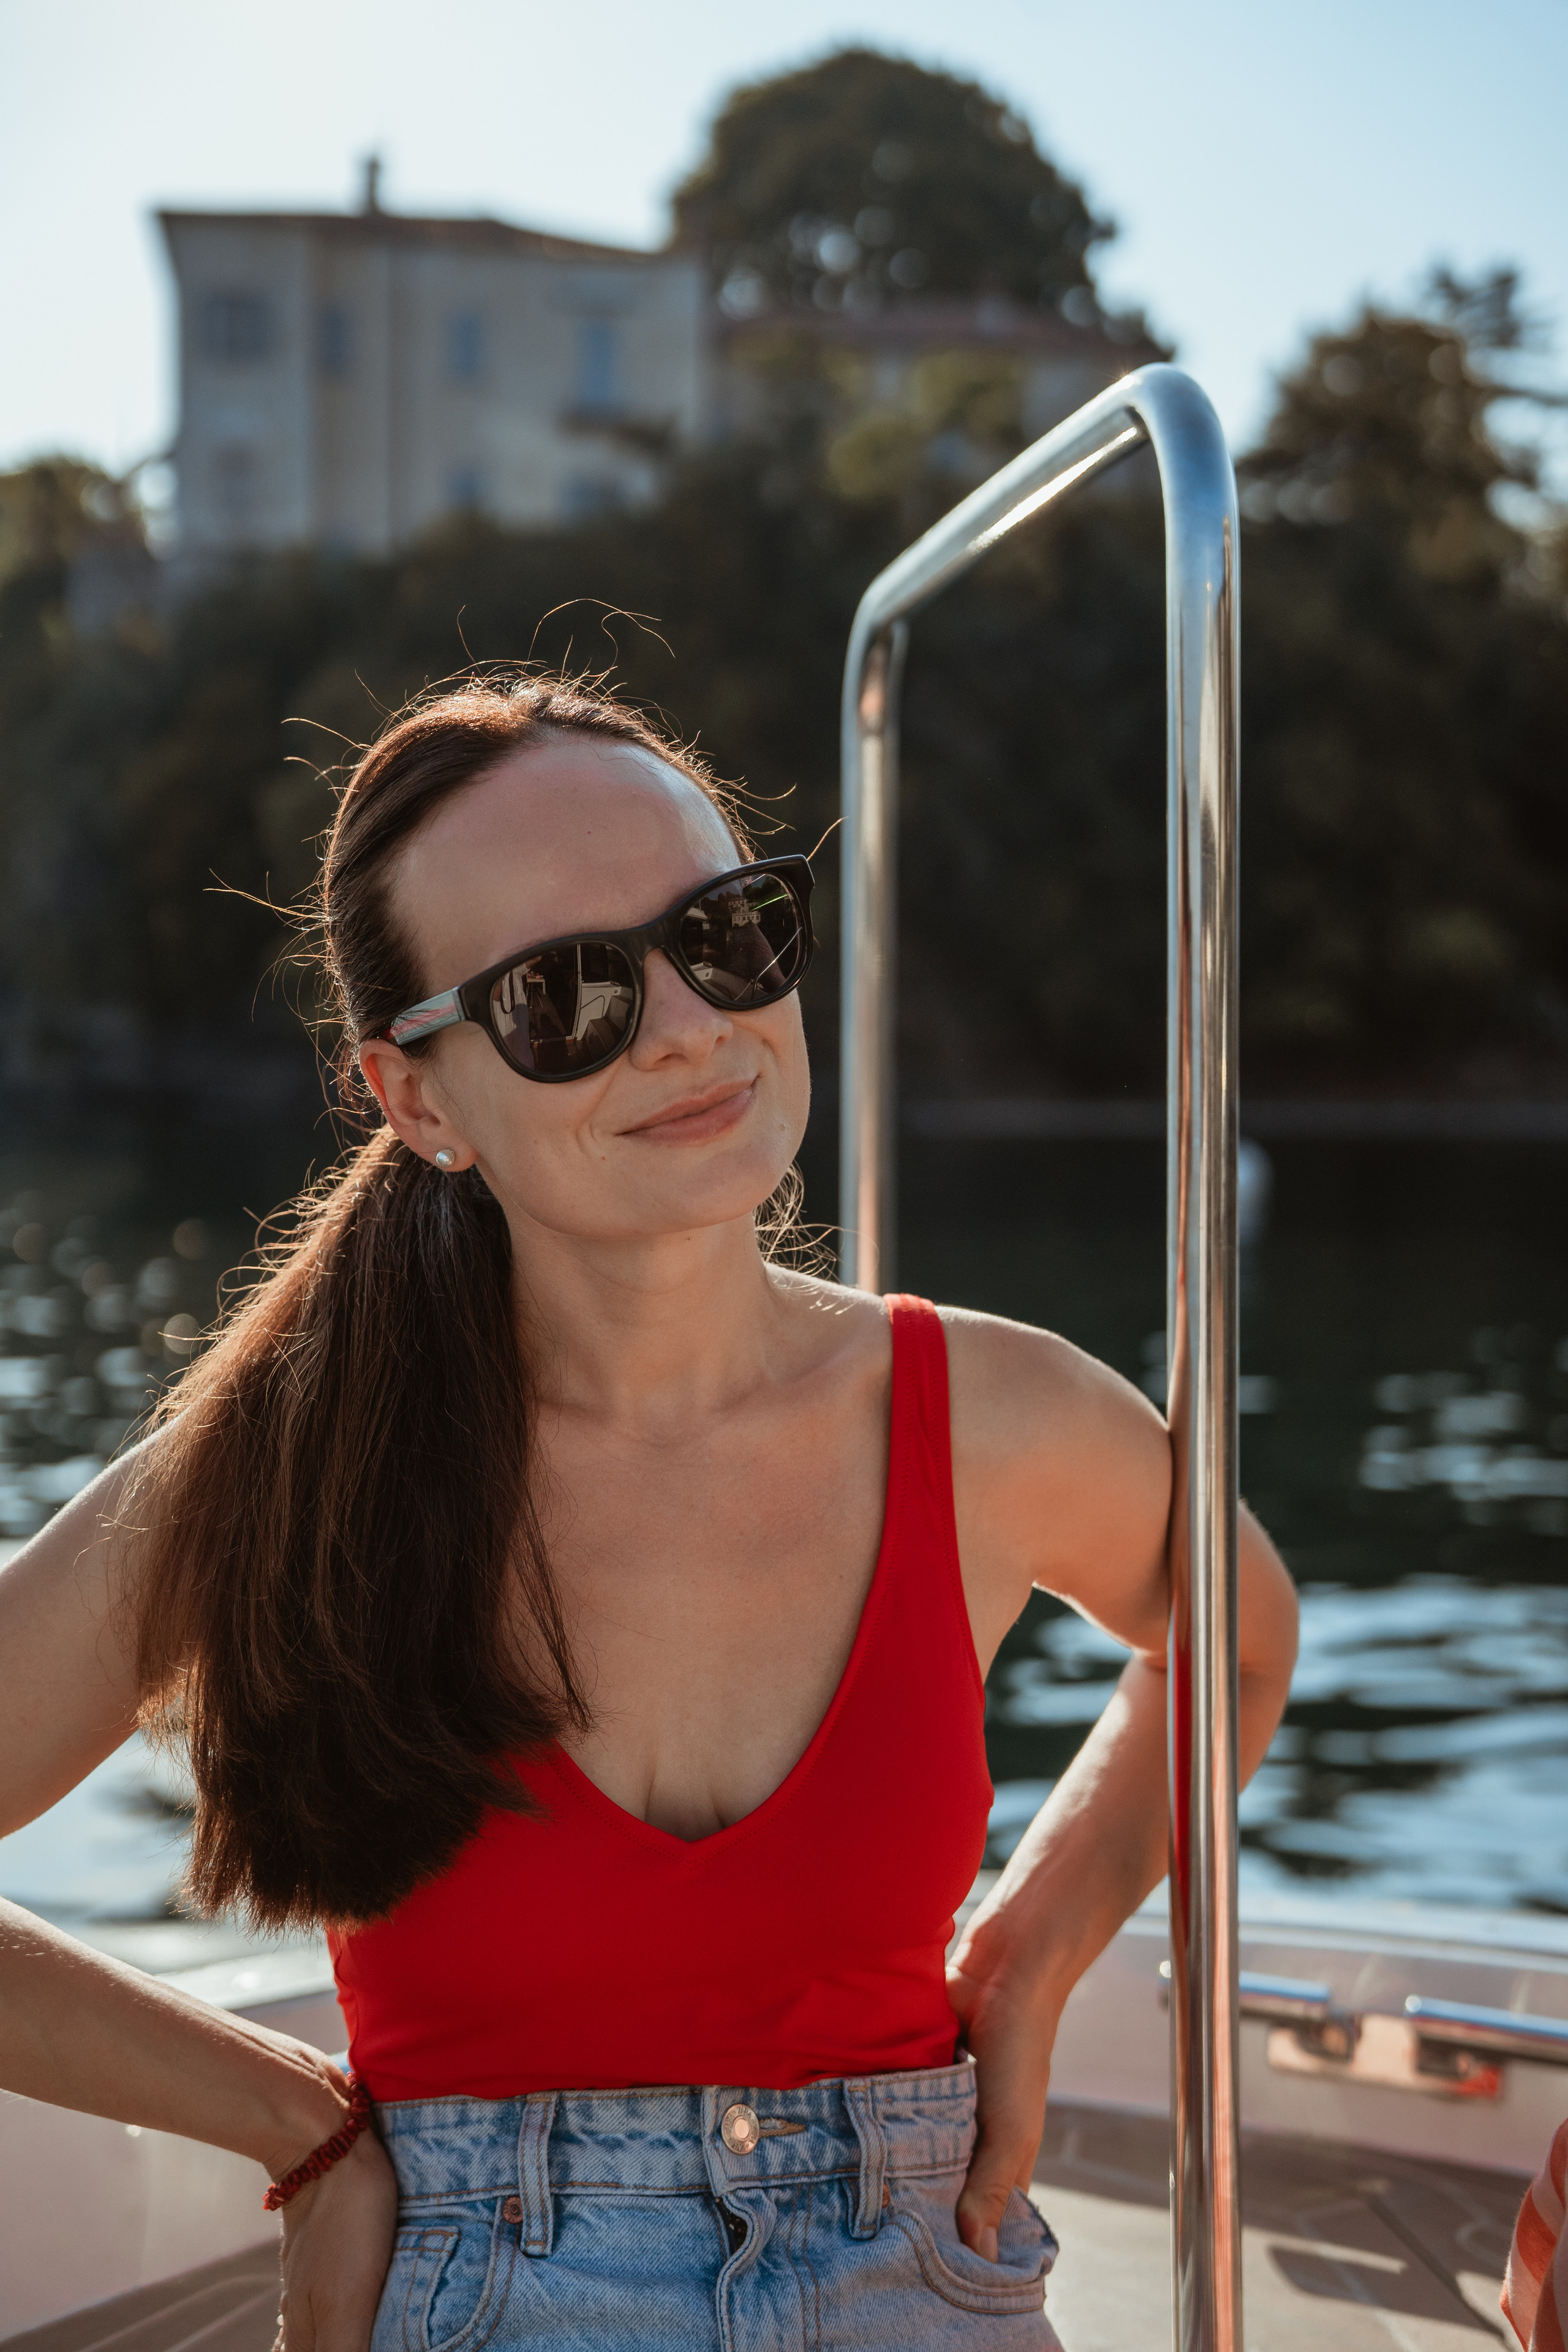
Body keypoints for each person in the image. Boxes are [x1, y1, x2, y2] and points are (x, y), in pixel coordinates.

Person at [0, 671, 1298, 2351]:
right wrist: (302, 2133)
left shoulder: (992, 1416)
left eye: (727, 932)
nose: (691, 1025)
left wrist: (1033, 1954)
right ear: (418, 1102)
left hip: (925, 2270)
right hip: (477, 2287)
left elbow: (1236, 1638)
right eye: (563, 995)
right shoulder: (279, 1472)